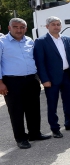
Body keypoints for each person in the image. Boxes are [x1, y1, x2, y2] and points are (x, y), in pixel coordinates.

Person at [0, 18, 50, 148]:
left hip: (31, 80)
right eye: (15, 27)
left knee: (33, 109)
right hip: (12, 81)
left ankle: (35, 133)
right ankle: (21, 138)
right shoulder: (2, 42)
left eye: (22, 27)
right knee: (16, 111)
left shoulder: (29, 41)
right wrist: (0, 83)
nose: (19, 30)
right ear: (9, 28)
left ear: (26, 29)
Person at [33, 16, 70, 134]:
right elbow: (40, 62)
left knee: (68, 101)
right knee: (52, 104)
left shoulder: (66, 39)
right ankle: (55, 128)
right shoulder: (41, 41)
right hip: (51, 78)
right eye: (53, 24)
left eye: (58, 24)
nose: (56, 27)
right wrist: (44, 79)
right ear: (47, 26)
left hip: (67, 75)